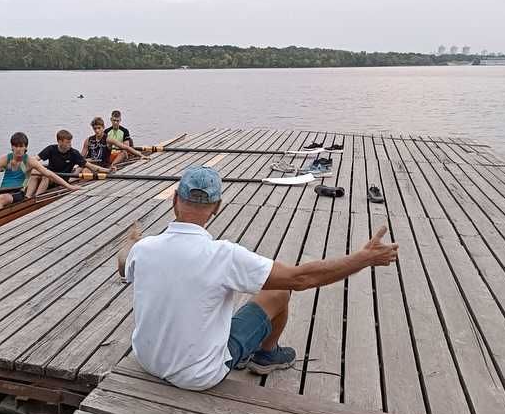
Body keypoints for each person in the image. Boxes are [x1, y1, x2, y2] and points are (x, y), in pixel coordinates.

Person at [117, 166, 399, 391]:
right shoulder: (223, 256)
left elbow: (123, 261)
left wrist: (131, 240)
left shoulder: (144, 249)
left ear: (176, 198)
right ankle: (266, 355)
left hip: (148, 361)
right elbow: (300, 279)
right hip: (197, 376)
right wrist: (364, 258)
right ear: (217, 207)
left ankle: (255, 352)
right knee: (278, 292)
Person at [0, 132, 80, 218]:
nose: (18, 149)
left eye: (21, 146)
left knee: (2, 198)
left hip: (18, 193)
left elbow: (49, 174)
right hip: (2, 190)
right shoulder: (3, 159)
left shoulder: (30, 161)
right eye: (15, 146)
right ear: (12, 147)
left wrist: (69, 186)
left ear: (25, 148)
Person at [27, 129, 87, 197]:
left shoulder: (74, 153)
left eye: (70, 142)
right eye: (67, 142)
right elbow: (35, 159)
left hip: (61, 180)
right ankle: (28, 197)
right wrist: (23, 164)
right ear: (59, 141)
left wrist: (101, 170)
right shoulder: (51, 149)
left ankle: (36, 198)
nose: (70, 144)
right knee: (34, 171)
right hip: (51, 176)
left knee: (46, 176)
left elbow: (87, 165)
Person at [81, 116, 146, 172]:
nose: (97, 131)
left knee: (85, 170)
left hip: (102, 166)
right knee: (80, 168)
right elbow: (81, 157)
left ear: (103, 127)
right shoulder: (88, 140)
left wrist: (141, 155)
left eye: (99, 128)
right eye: (95, 128)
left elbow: (126, 147)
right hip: (89, 164)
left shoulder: (108, 140)